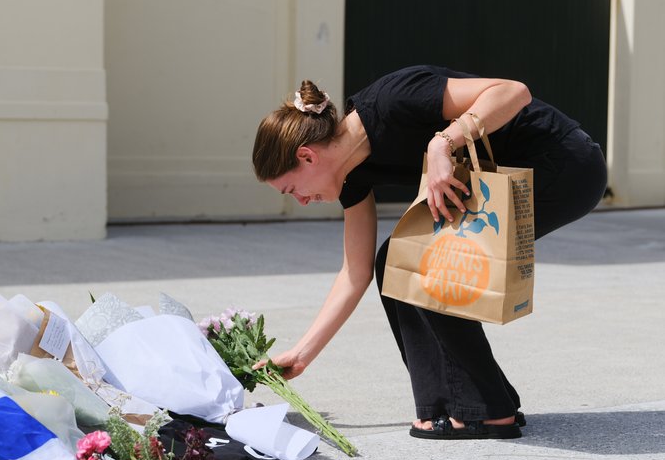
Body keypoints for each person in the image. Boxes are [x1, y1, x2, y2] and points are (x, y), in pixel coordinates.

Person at [251, 65, 607, 440]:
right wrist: (302, 354)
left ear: (306, 156)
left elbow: (514, 91)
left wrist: (443, 143)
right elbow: (355, 273)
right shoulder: (352, 176)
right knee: (395, 259)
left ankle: (483, 410)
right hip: (518, 177)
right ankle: (467, 403)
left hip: (564, 162)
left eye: (292, 190)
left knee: (424, 257)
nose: (303, 201)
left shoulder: (392, 100)